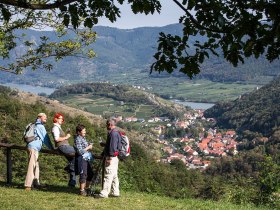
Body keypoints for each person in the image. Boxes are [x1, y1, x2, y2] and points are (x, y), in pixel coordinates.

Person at [24, 113, 54, 191]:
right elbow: (45, 139)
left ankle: (36, 183)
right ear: (39, 117)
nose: (46, 118)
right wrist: (52, 148)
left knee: (36, 166)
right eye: (45, 117)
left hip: (30, 146)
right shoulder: (40, 126)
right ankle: (28, 185)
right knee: (32, 166)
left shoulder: (31, 125)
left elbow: (25, 135)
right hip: (34, 148)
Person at [95, 118, 122, 198]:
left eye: (107, 124)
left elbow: (112, 147)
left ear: (110, 124)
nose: (106, 126)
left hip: (111, 157)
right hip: (115, 157)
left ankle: (104, 193)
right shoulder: (117, 132)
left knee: (108, 175)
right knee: (114, 175)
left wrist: (109, 158)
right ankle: (115, 192)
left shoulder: (112, 134)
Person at [51, 113, 76, 187]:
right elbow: (57, 139)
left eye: (62, 119)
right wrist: (66, 137)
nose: (62, 120)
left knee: (73, 161)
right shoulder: (55, 128)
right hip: (62, 147)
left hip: (65, 146)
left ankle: (72, 183)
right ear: (56, 119)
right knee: (79, 152)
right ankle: (69, 167)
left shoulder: (58, 127)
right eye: (60, 118)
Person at [74, 124, 94, 196]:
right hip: (81, 158)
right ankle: (82, 190)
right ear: (79, 132)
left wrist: (89, 145)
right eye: (84, 130)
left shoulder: (83, 138)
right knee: (83, 174)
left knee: (90, 174)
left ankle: (86, 189)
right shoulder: (78, 139)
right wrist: (88, 147)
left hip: (86, 158)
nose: (85, 131)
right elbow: (79, 151)